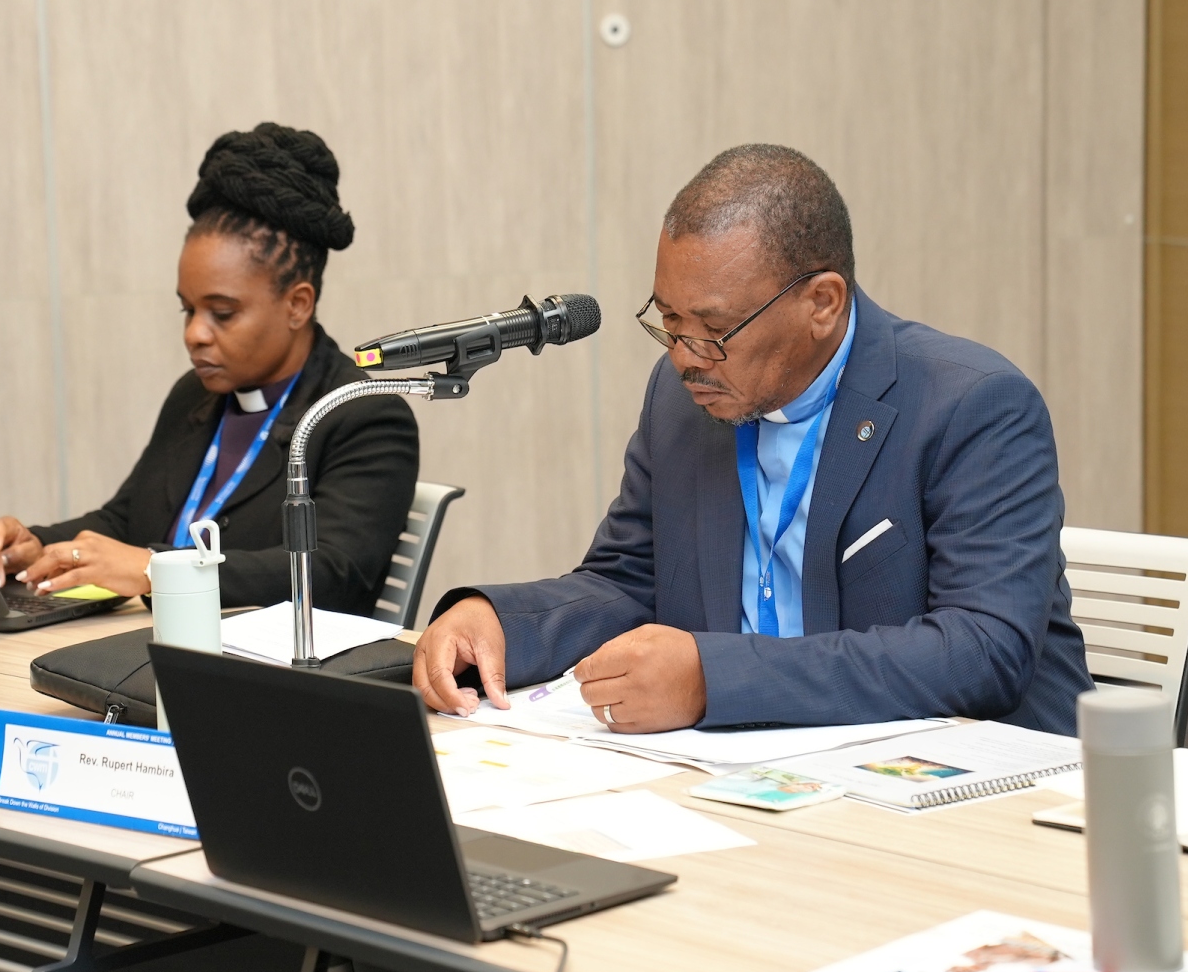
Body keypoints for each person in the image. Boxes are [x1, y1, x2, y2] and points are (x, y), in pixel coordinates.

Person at [414, 144, 1093, 735]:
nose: (684, 356)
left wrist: (716, 680)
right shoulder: (682, 396)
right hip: (750, 771)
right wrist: (501, 622)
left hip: (972, 782)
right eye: (668, 319)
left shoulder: (971, 406)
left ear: (822, 303)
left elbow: (981, 651)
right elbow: (631, 580)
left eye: (714, 329)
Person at [0, 123, 419, 615]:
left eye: (222, 313)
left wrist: (156, 569)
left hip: (275, 659)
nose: (195, 334)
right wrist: (35, 548)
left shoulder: (363, 414)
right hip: (158, 639)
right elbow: (125, 521)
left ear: (297, 305)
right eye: (188, 310)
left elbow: (334, 574)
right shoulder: (196, 394)